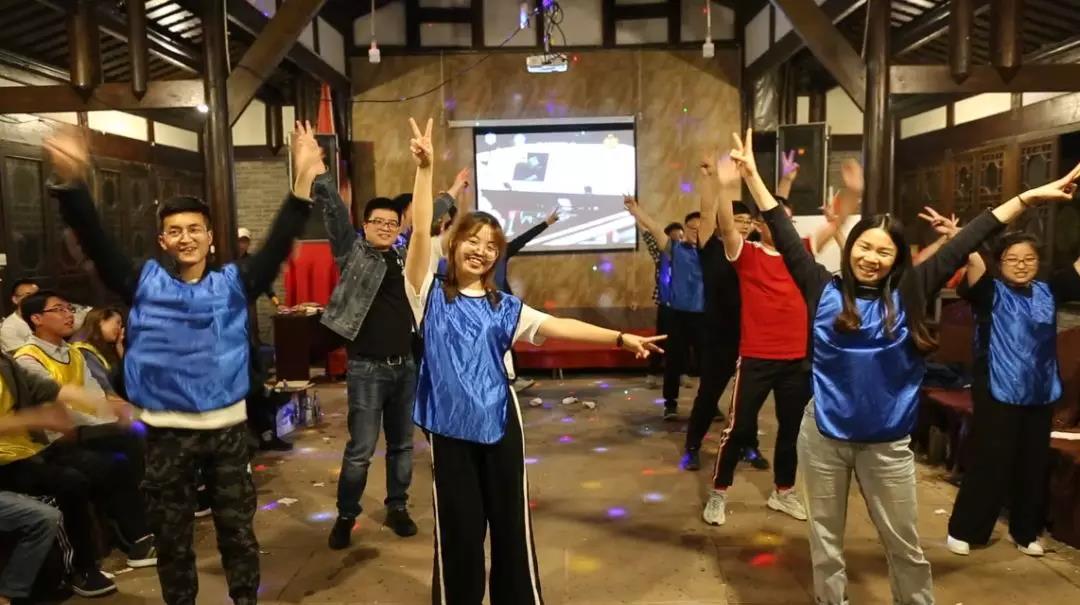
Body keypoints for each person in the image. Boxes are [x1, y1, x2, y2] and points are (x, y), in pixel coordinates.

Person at [729, 127, 1080, 604]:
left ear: (896, 259)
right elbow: (784, 231)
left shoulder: (911, 291)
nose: (871, 258)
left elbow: (973, 234)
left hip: (887, 444)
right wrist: (752, 177)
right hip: (824, 436)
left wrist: (1027, 197)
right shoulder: (820, 287)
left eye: (884, 251)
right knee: (825, 543)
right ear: (850, 248)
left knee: (905, 548)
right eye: (864, 246)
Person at [44, 121, 322, 605]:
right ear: (163, 241)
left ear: (210, 237)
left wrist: (302, 183)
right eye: (175, 231)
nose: (186, 237)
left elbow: (279, 243)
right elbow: (95, 239)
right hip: (166, 434)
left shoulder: (235, 282)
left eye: (195, 229)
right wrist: (72, 184)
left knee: (237, 533)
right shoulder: (142, 281)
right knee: (172, 541)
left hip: (227, 430)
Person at [403, 117, 664, 604]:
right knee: (459, 533)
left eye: (491, 246)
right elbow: (419, 231)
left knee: (510, 529)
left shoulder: (505, 306)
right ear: (453, 244)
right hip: (449, 430)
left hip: (502, 425)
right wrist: (425, 170)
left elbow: (560, 326)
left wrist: (620, 336)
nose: (481, 251)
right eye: (472, 240)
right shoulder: (427, 293)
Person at [946, 230, 1080, 557]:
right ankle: (965, 529)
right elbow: (974, 263)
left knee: (1033, 463)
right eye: (1013, 259)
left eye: (1029, 258)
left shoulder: (1050, 290)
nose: (1021, 265)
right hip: (997, 387)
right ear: (1000, 262)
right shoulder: (989, 291)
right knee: (991, 460)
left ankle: (1025, 531)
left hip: (1040, 389)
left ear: (1039, 261)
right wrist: (961, 238)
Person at [318, 180, 420, 549]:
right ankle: (346, 515)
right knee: (361, 450)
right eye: (378, 222)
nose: (386, 228)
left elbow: (426, 220)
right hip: (367, 369)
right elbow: (335, 218)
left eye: (392, 223)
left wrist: (450, 192)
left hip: (405, 367)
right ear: (365, 225)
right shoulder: (354, 253)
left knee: (402, 445)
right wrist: (321, 177)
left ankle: (398, 507)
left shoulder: (404, 255)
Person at [0, 353, 129, 598]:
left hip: (27, 452)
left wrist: (104, 405)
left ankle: (132, 539)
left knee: (107, 459)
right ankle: (82, 568)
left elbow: (52, 389)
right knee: (69, 482)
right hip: (6, 462)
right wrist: (33, 419)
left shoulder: (5, 363)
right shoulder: (27, 354)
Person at [681, 154, 751, 471]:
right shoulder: (711, 248)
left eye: (749, 221)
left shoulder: (753, 252)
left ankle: (748, 445)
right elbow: (709, 212)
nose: (745, 225)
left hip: (750, 336)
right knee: (709, 395)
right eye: (739, 220)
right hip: (718, 335)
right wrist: (711, 179)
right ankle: (692, 446)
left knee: (748, 397)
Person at [625, 198, 704, 420]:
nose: (697, 232)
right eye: (693, 228)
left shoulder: (712, 252)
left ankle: (709, 403)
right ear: (686, 229)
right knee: (673, 360)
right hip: (677, 314)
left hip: (704, 315)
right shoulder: (674, 249)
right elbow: (653, 228)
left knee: (707, 363)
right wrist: (636, 210)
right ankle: (670, 403)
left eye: (701, 228)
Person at [641, 221, 683, 389]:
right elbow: (647, 235)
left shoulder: (689, 254)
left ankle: (683, 373)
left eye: (680, 237)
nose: (677, 241)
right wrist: (636, 216)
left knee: (683, 340)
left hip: (684, 305)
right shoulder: (660, 255)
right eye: (673, 238)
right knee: (661, 338)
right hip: (666, 304)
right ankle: (652, 374)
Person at [71, 307, 124, 395]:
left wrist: (120, 348)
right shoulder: (83, 350)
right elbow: (104, 389)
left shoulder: (102, 348)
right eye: (117, 323)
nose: (120, 328)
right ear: (101, 320)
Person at [0, 280, 38, 354]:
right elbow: (23, 356)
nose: (34, 300)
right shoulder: (9, 328)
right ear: (15, 299)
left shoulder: (47, 318)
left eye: (37, 295)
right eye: (28, 295)